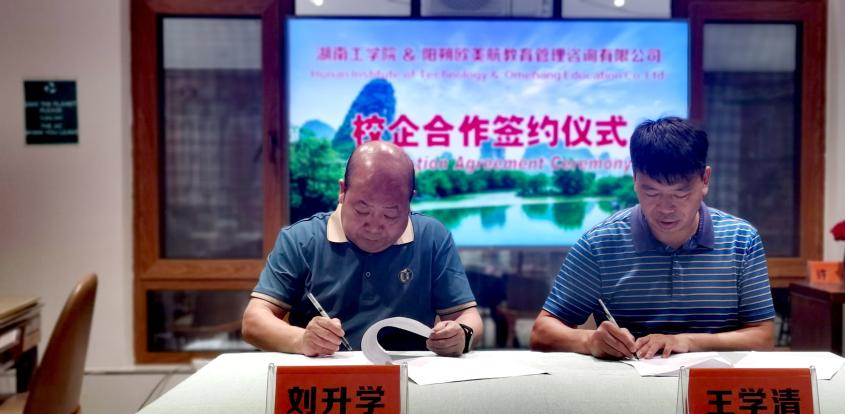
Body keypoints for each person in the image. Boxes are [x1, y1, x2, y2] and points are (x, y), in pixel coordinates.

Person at [530, 117, 775, 359]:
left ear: (705, 180)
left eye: (680, 194)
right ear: (635, 180)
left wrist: (687, 341)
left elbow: (762, 337)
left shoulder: (741, 240)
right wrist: (589, 340)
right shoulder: (599, 244)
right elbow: (542, 332)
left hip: (715, 381)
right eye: (652, 193)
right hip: (629, 381)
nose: (666, 208)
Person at [242, 140, 482, 357]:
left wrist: (462, 335)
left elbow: (468, 317)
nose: (374, 227)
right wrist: (301, 339)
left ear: (410, 200)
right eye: (362, 210)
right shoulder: (301, 239)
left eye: (390, 214)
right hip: (326, 381)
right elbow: (254, 321)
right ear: (342, 191)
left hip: (411, 379)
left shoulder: (432, 237)